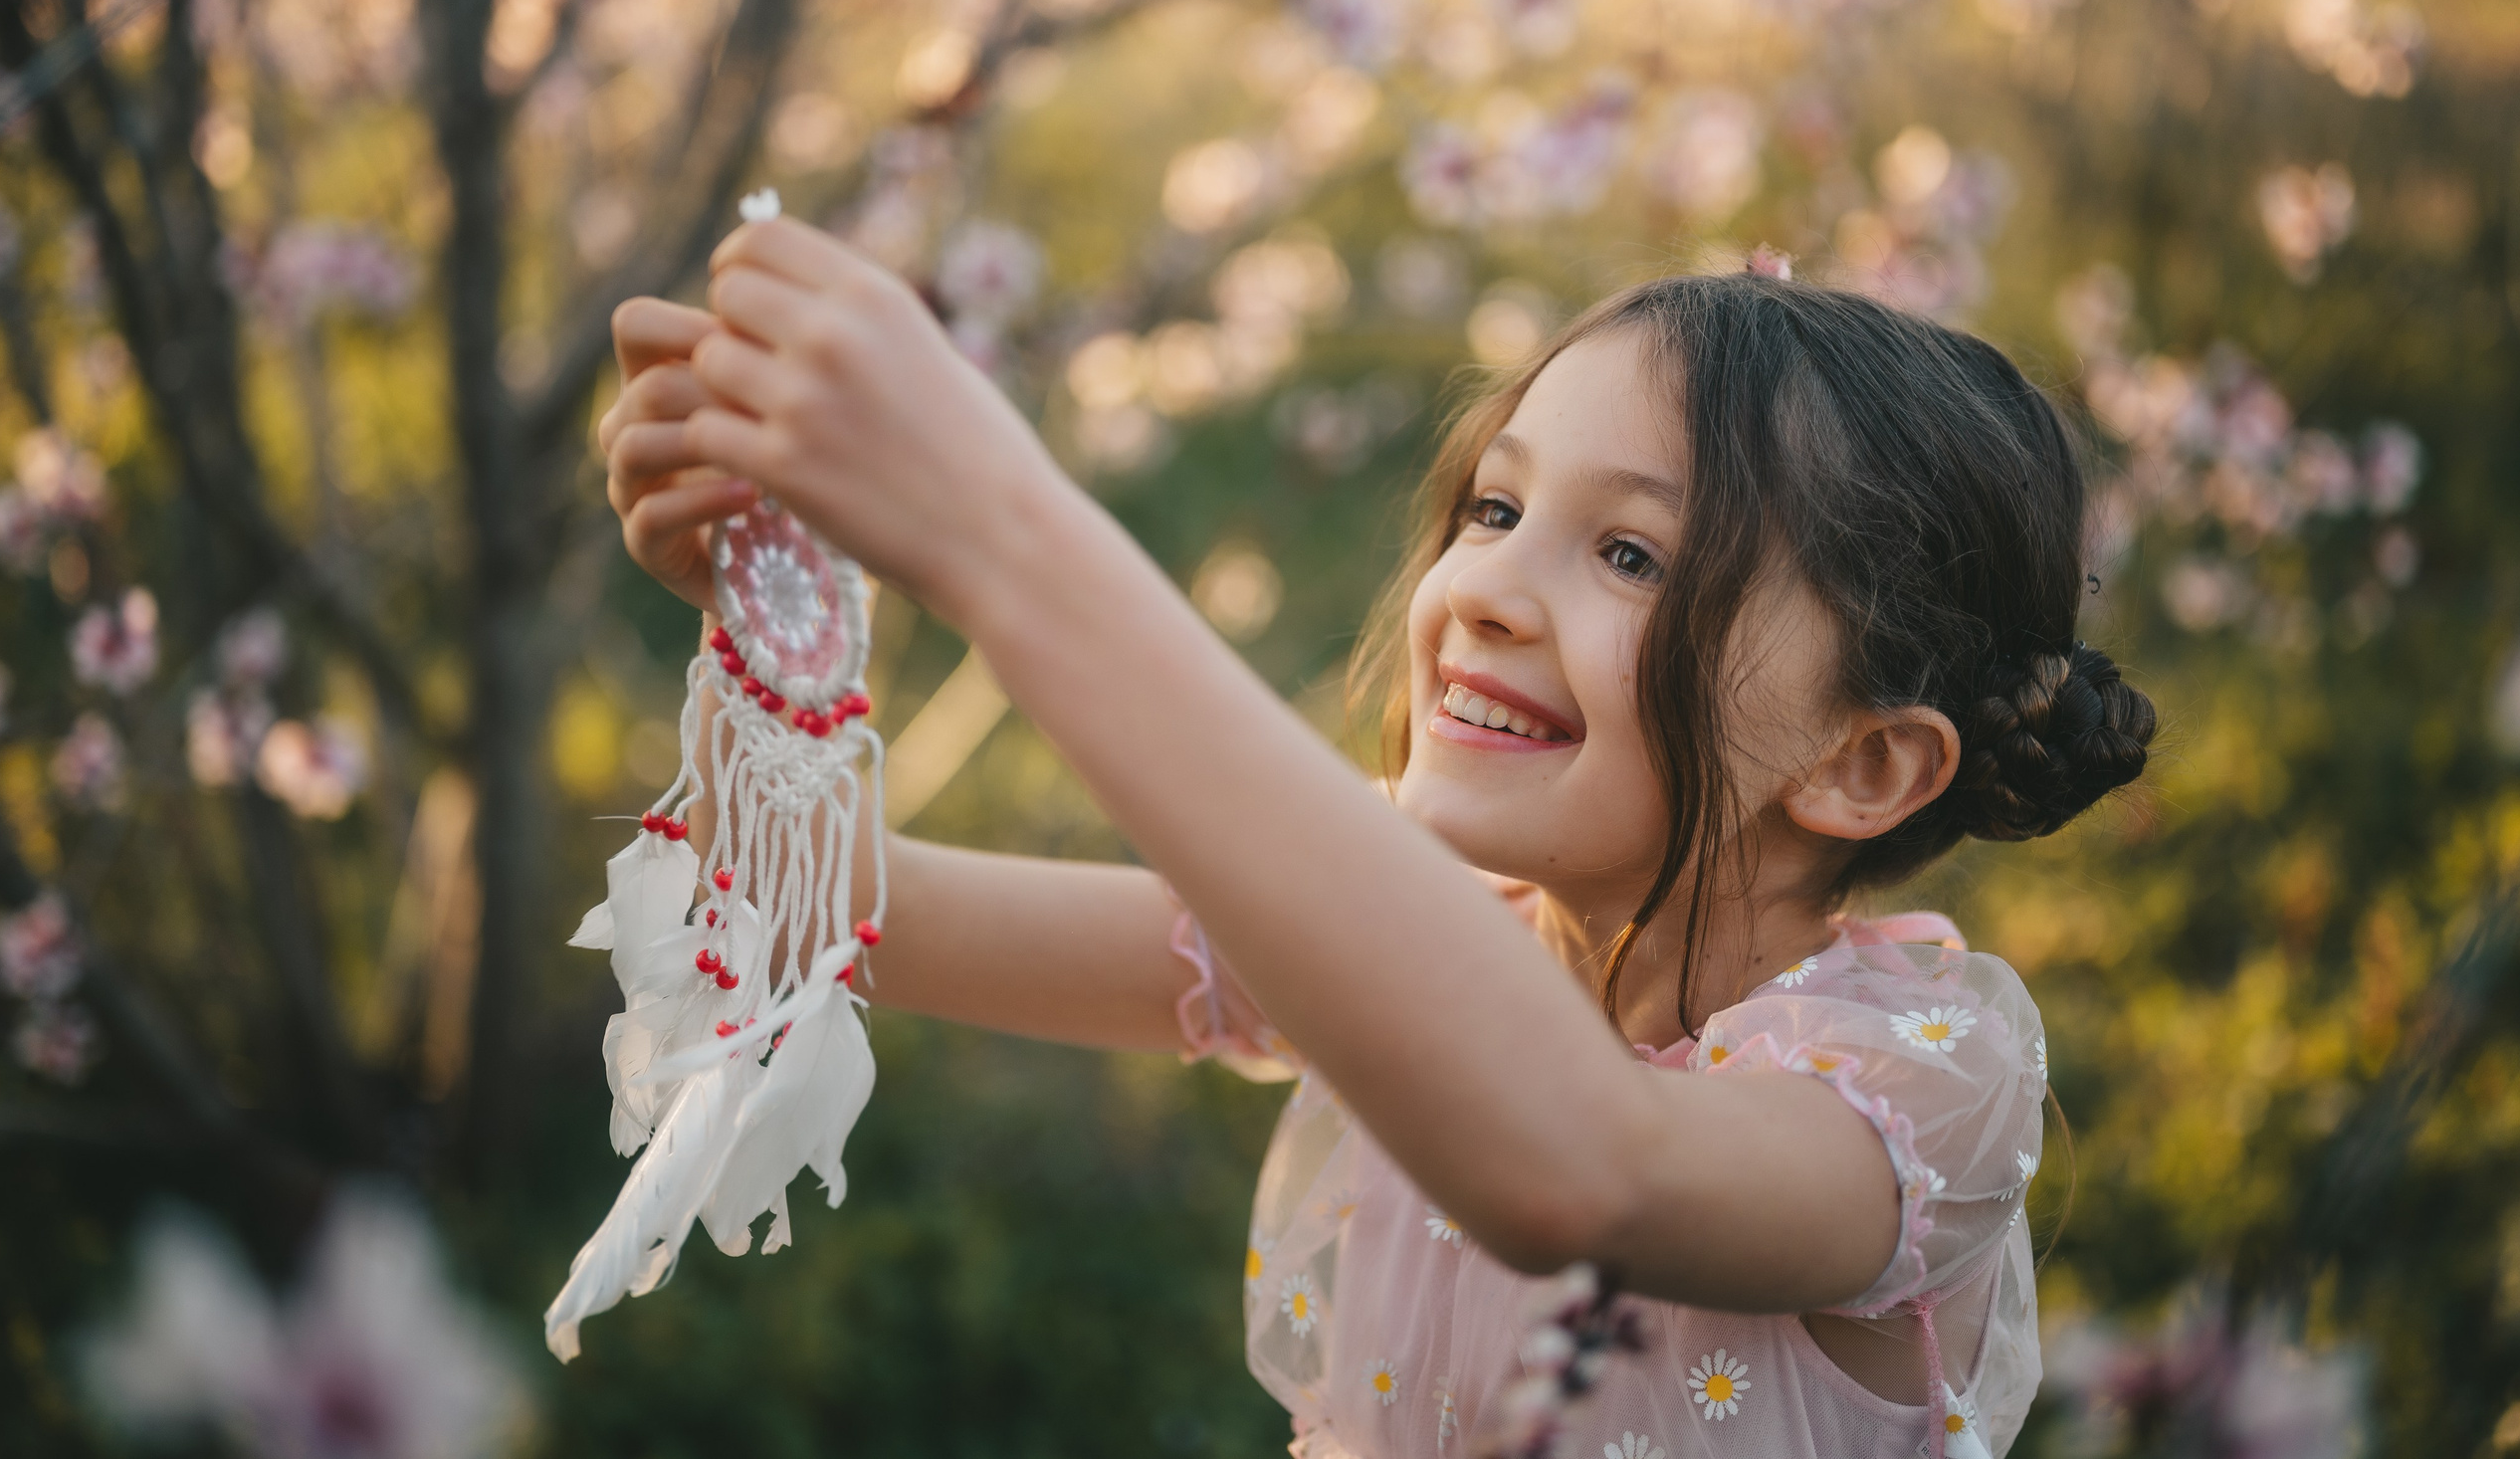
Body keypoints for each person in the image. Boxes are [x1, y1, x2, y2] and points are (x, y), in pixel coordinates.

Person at [595, 221, 2156, 1458]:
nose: (1480, 589)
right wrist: (768, 612)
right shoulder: (1431, 931)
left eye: (1630, 553)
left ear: (1865, 763)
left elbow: (1574, 1172)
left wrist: (1001, 529)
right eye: (1492, 510)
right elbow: (845, 908)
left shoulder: (1924, 1087)